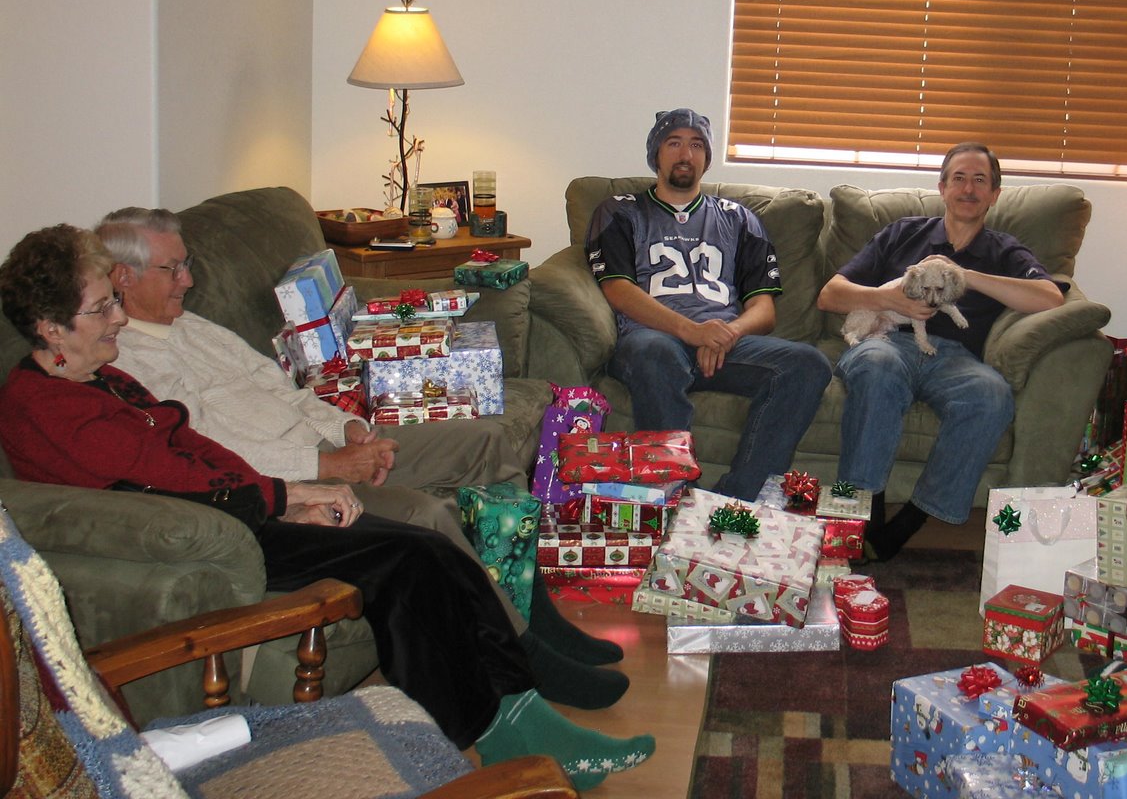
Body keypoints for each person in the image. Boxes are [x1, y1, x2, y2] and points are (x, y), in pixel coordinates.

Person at [0, 225, 654, 790]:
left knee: (425, 552)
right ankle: (497, 726)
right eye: (101, 307)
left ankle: (519, 708)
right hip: (220, 535)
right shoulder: (49, 406)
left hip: (248, 506)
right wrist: (288, 498)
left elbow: (197, 449)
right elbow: (168, 477)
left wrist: (296, 488)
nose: (116, 316)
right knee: (410, 559)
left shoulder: (102, 376)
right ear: (52, 328)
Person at [95, 207, 626, 700]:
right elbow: (210, 452)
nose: (187, 280)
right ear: (123, 276)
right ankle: (523, 653)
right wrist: (326, 466)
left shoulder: (192, 326)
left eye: (186, 264)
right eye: (172, 269)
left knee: (484, 440)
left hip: (324, 444)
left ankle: (534, 607)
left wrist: (348, 427)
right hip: (292, 477)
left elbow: (283, 390)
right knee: (427, 513)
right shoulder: (125, 361)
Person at [816, 142, 1066, 560]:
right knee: (876, 367)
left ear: (995, 194)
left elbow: (1049, 298)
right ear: (942, 187)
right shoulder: (903, 233)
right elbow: (830, 295)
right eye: (959, 179)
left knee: (992, 396)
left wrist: (964, 275)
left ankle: (908, 522)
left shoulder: (1004, 250)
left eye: (980, 180)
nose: (968, 189)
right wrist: (888, 299)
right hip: (885, 340)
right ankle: (866, 516)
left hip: (956, 358)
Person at [585, 108, 831, 500]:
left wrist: (726, 333)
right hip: (652, 339)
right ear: (655, 153)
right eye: (674, 143)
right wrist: (691, 331)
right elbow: (618, 289)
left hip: (722, 344)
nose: (686, 154)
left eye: (697, 145)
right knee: (654, 353)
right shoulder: (620, 210)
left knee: (808, 364)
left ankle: (737, 499)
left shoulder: (740, 219)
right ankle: (678, 494)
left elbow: (764, 310)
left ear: (707, 157)